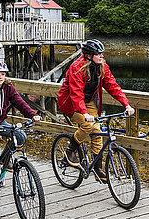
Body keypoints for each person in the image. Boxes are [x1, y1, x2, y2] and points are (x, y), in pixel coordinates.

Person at [57, 39, 134, 182]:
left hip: (88, 101)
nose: (101, 56)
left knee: (97, 131)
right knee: (87, 125)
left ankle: (98, 169)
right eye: (98, 54)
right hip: (71, 103)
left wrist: (126, 104)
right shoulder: (77, 67)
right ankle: (70, 151)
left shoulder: (101, 66)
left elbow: (112, 85)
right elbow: (76, 93)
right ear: (88, 56)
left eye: (102, 54)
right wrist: (84, 113)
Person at [0, 61, 41, 207]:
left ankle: (5, 160)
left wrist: (32, 115)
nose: (0, 77)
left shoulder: (8, 87)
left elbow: (19, 102)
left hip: (0, 122)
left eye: (3, 74)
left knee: (20, 136)